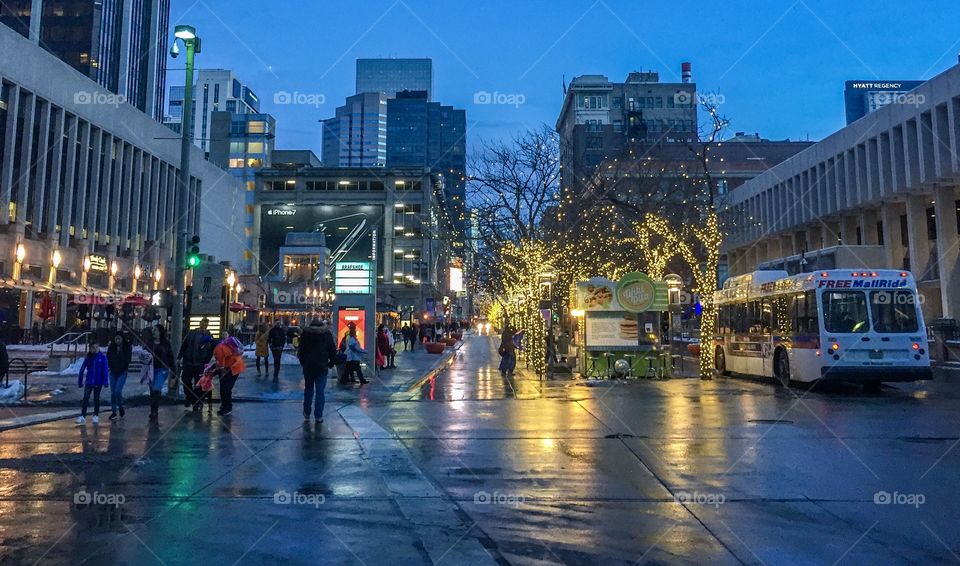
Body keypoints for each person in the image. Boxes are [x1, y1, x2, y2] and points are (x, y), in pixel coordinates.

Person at [297, 319, 337, 423]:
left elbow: (301, 351)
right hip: (322, 366)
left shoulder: (306, 334)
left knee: (308, 390)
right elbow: (332, 350)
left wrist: (303, 363)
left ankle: (306, 413)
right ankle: (318, 416)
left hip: (308, 367)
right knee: (320, 392)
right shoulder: (326, 334)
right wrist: (331, 363)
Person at [178, 317, 213, 412]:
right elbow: (184, 345)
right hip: (189, 362)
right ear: (200, 323)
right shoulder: (192, 333)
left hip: (200, 364)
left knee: (198, 385)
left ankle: (196, 402)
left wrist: (206, 361)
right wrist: (179, 357)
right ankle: (190, 397)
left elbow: (210, 350)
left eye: (206, 324)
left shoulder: (209, 336)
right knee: (186, 381)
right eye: (203, 323)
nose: (204, 325)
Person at [77, 342, 109, 425]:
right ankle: (83, 415)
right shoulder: (88, 358)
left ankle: (96, 415)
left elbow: (105, 370)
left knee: (96, 398)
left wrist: (105, 381)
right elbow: (82, 369)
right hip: (89, 381)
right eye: (92, 348)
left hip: (98, 381)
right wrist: (80, 381)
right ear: (90, 349)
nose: (95, 349)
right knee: (86, 398)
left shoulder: (102, 357)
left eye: (96, 347)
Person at [213, 334, 245, 416]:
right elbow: (220, 364)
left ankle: (227, 408)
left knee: (226, 388)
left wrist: (214, 372)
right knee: (223, 387)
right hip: (232, 367)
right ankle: (225, 405)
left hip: (233, 368)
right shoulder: (221, 347)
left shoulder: (219, 349)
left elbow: (221, 365)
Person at [148, 325, 174, 420]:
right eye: (153, 330)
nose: (154, 331)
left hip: (162, 369)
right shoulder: (150, 342)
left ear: (160, 332)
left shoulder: (165, 343)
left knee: (156, 388)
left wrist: (173, 369)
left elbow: (170, 356)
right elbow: (144, 353)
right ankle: (153, 409)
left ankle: (154, 411)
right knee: (152, 391)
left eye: (156, 330)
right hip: (151, 369)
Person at [106, 333, 132, 420]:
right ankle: (114, 411)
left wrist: (120, 354)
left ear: (122, 339)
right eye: (116, 339)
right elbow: (108, 357)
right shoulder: (111, 347)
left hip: (122, 372)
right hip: (113, 372)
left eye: (119, 339)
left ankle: (120, 406)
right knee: (113, 393)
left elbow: (128, 359)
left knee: (118, 391)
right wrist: (111, 365)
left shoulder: (127, 347)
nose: (117, 341)